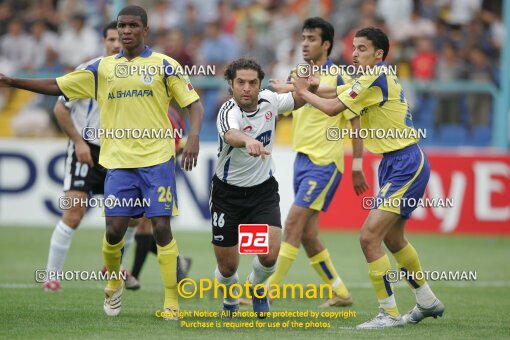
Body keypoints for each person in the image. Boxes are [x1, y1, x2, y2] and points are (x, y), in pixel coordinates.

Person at [0, 5, 204, 319]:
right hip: (118, 163)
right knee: (113, 231)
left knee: (161, 227)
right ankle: (113, 283)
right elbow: (58, 86)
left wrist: (192, 140)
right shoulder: (101, 68)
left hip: (157, 161)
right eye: (122, 25)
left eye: (133, 25)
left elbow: (194, 104)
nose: (126, 30)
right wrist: (13, 81)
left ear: (145, 31)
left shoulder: (165, 65)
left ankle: (171, 303)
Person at [292, 27, 444, 329]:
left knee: (368, 237)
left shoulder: (374, 77)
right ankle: (426, 299)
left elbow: (334, 106)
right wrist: (302, 87)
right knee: (393, 238)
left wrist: (302, 92)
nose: (355, 53)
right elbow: (335, 90)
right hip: (392, 163)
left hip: (406, 162)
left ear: (379, 54)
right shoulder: (369, 77)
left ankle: (388, 313)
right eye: (354, 48)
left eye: (362, 48)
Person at [267, 17, 368, 308]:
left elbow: (355, 122)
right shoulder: (298, 73)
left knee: (293, 222)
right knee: (310, 236)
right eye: (303, 38)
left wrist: (357, 164)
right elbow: (288, 106)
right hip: (301, 159)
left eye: (311, 39)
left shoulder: (340, 77)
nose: (305, 44)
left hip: (325, 162)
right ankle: (340, 292)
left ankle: (266, 291)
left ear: (326, 44)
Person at [42, 21, 138, 292]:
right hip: (87, 149)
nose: (116, 44)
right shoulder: (88, 71)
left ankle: (113, 264)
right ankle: (51, 276)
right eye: (111, 39)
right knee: (74, 212)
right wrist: (77, 141)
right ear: (104, 41)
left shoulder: (139, 72)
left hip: (120, 152)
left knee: (132, 217)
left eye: (120, 39)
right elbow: (61, 109)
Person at [210, 58, 307, 318]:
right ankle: (230, 298)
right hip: (227, 195)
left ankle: (256, 287)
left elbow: (299, 101)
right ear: (231, 84)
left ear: (259, 85)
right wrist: (248, 140)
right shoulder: (228, 110)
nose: (246, 88)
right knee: (228, 268)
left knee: (268, 256)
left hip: (262, 191)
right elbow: (231, 134)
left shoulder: (269, 101)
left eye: (252, 83)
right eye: (240, 82)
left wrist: (297, 87)